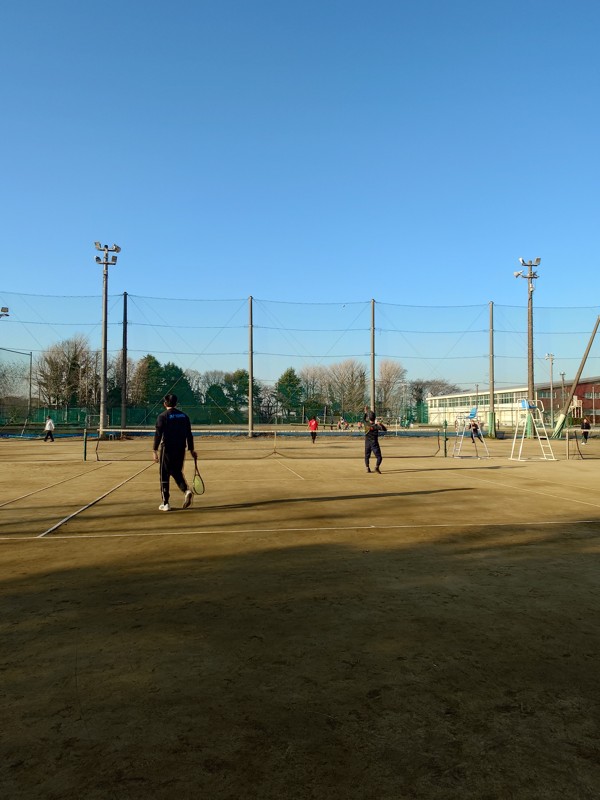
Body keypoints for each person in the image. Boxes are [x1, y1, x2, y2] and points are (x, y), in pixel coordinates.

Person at [153, 394, 197, 512]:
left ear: (165, 404)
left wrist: (154, 450)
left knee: (164, 474)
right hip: (180, 449)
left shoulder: (162, 416)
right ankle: (186, 491)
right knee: (176, 471)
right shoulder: (184, 416)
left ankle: (166, 503)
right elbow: (189, 434)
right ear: (176, 403)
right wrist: (191, 450)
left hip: (167, 449)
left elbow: (158, 434)